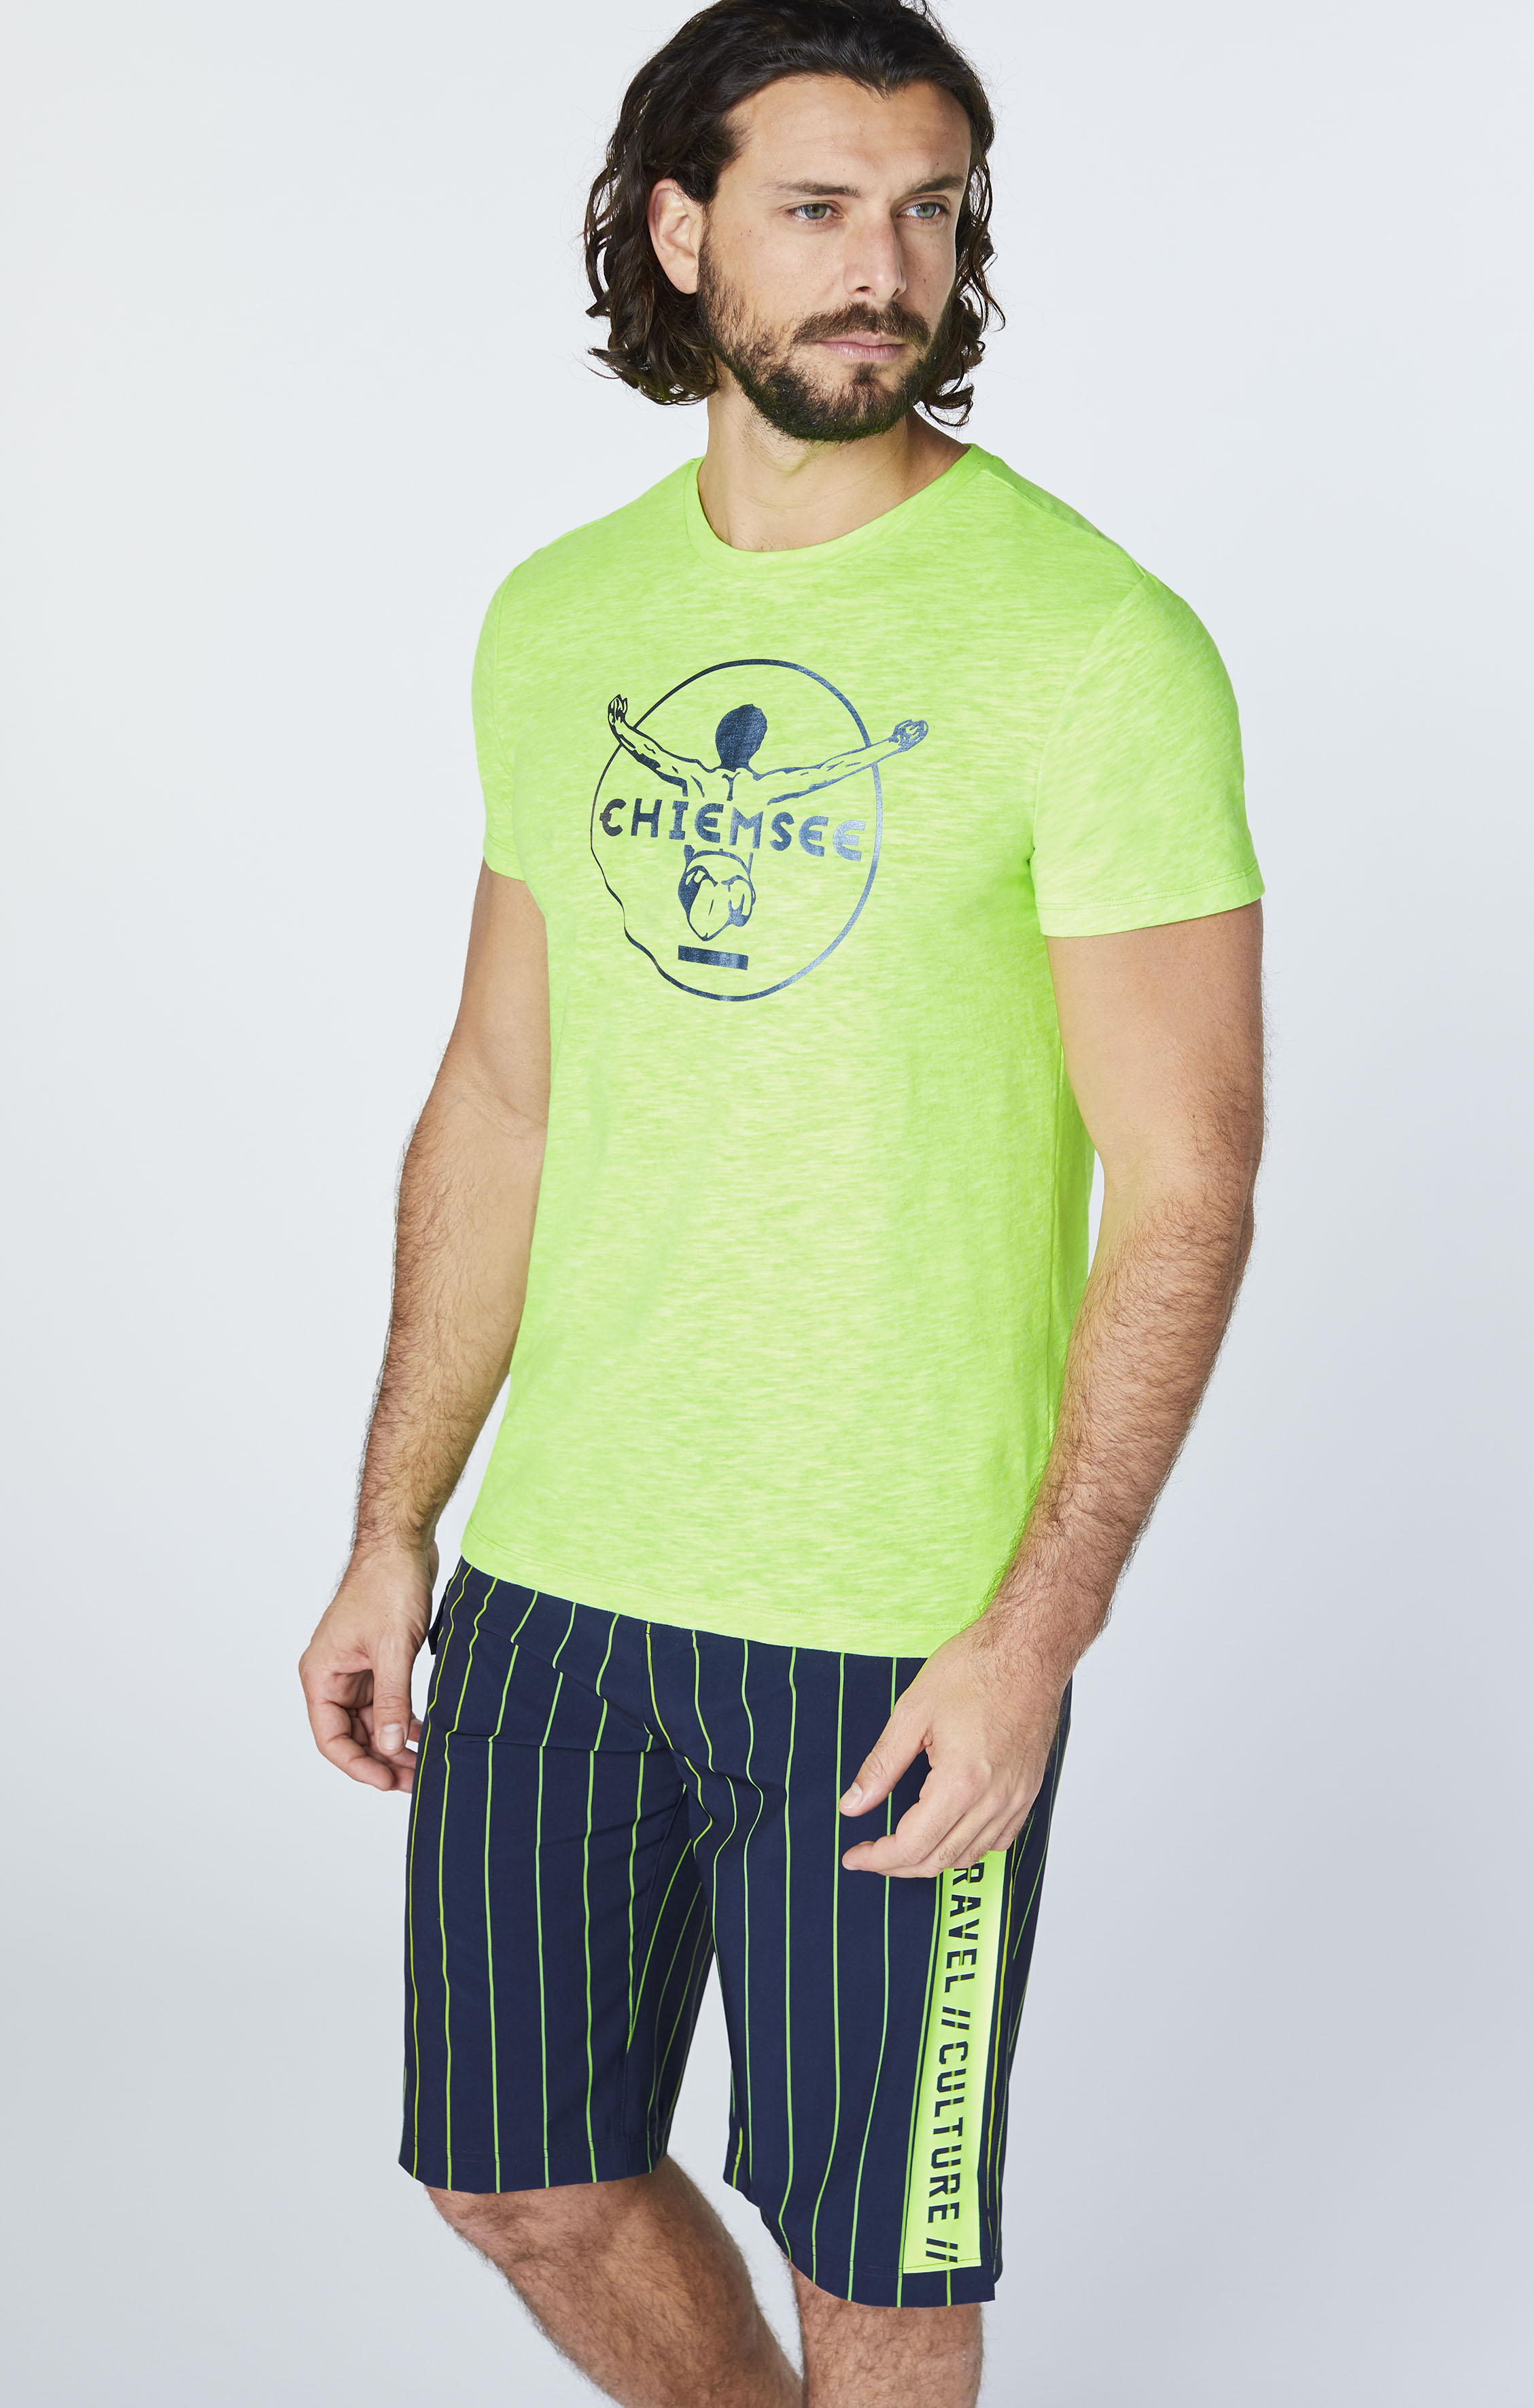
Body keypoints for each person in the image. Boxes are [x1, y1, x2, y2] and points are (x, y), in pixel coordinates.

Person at [298, 2, 1265, 2401]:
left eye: (929, 210)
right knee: (515, 2175)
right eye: (819, 207)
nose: (883, 268)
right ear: (677, 228)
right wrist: (394, 1526)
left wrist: (1035, 1633)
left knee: (877, 2266)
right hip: (560, 1590)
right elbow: (502, 1094)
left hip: (894, 1623)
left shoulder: (1094, 646)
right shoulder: (563, 620)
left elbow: (1189, 1183)